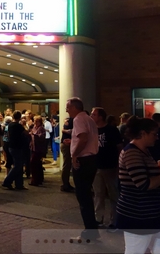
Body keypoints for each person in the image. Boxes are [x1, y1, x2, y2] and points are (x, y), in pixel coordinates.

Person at [117, 116, 160, 253]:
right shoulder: (132, 153)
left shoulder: (143, 152)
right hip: (137, 215)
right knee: (135, 251)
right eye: (154, 134)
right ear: (143, 134)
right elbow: (143, 184)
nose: (157, 137)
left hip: (150, 215)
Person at [67, 97, 99, 240]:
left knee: (83, 196)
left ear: (75, 107)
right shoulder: (89, 119)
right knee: (86, 195)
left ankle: (90, 232)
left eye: (68, 107)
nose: (67, 109)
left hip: (83, 159)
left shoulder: (78, 119)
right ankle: (92, 229)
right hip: (91, 159)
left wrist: (74, 154)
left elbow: (84, 138)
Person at [90, 107, 123, 230]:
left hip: (110, 166)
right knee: (98, 194)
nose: (92, 117)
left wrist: (119, 165)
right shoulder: (92, 130)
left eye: (94, 114)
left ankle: (114, 220)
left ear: (100, 117)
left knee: (113, 194)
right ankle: (98, 218)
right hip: (96, 166)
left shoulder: (111, 130)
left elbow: (119, 147)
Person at [2, 111, 27, 190]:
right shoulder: (18, 126)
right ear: (19, 117)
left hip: (11, 146)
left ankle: (19, 184)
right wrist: (24, 125)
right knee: (18, 166)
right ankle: (7, 181)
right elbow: (26, 133)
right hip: (17, 147)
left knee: (18, 165)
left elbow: (9, 135)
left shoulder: (10, 125)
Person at [29, 115, 47, 186]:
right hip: (33, 148)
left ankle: (35, 180)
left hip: (38, 149)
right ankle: (38, 179)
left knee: (34, 163)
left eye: (36, 121)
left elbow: (41, 137)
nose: (35, 122)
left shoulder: (41, 128)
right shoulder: (34, 127)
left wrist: (34, 135)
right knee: (37, 164)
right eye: (34, 121)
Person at [60, 117, 74, 192]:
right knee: (67, 164)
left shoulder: (68, 120)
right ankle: (65, 184)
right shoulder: (72, 120)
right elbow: (73, 131)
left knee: (67, 164)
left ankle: (66, 184)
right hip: (66, 144)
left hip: (65, 144)